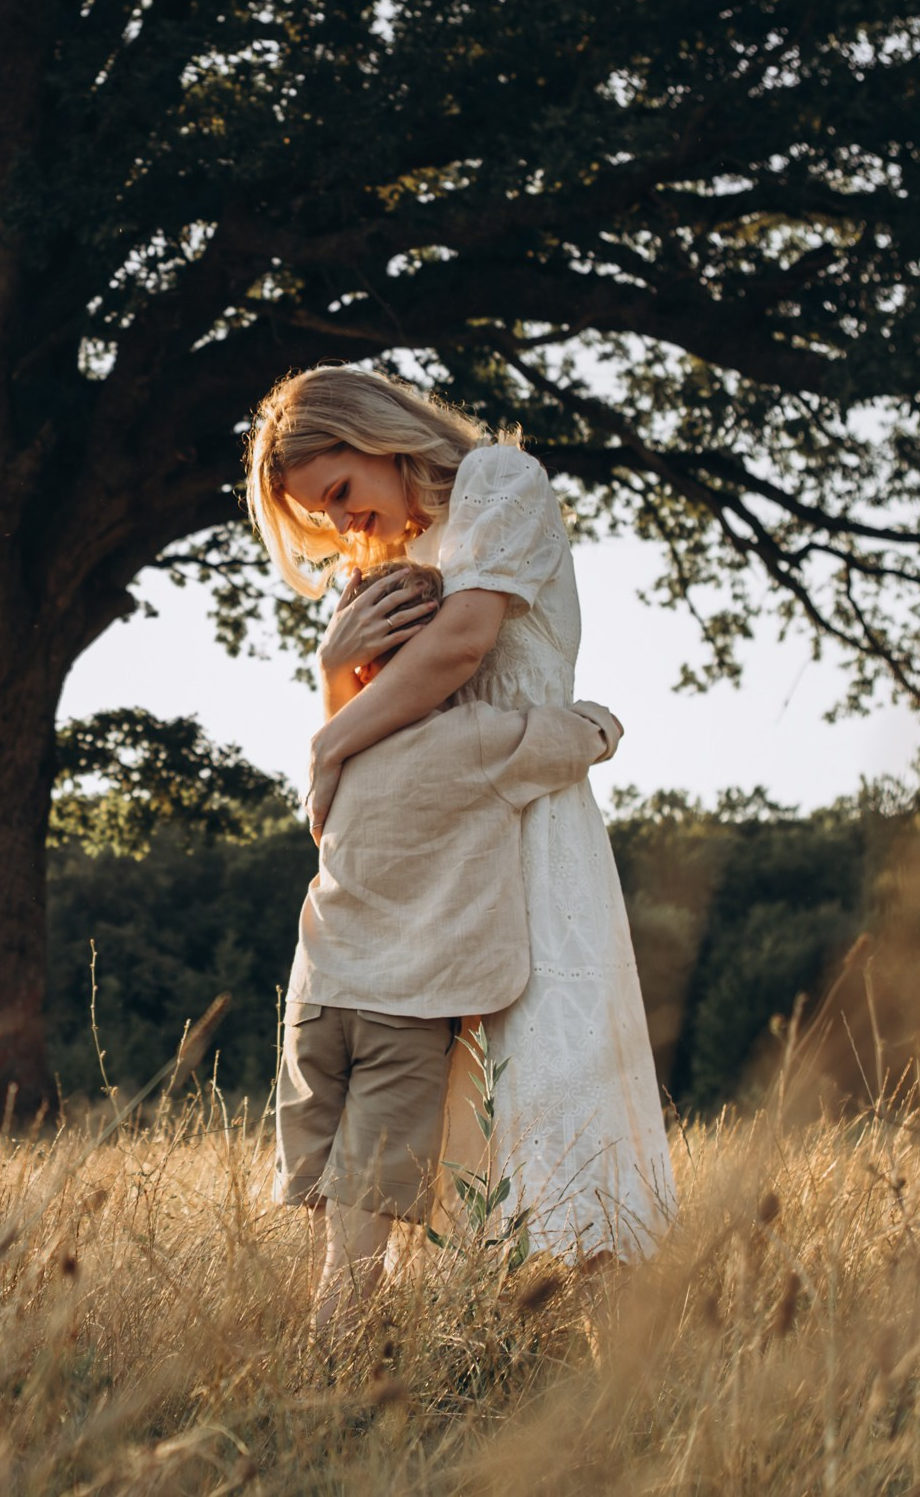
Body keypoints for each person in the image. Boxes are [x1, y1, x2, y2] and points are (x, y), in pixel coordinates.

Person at [246, 367, 679, 1288]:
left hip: (532, 822)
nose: (345, 527)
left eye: (341, 494)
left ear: (379, 436)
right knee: (440, 1106)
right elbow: (366, 758)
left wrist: (328, 743)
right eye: (323, 521)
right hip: (432, 876)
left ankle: (627, 1368)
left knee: (558, 1077)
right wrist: (334, 683)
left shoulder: (496, 483)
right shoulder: (377, 568)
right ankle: (475, 1358)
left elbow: (462, 643)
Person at [276, 688, 624, 1335]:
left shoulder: (343, 740)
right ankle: (324, 1371)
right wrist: (603, 719)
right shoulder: (475, 739)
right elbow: (580, 741)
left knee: (326, 1204)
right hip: (398, 1011)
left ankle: (320, 1338)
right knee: (362, 1223)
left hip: (314, 999)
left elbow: (319, 821)